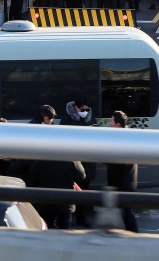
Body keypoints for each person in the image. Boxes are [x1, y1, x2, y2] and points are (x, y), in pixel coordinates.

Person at [59, 96, 95, 228]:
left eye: (86, 109)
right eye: (82, 109)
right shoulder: (67, 119)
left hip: (87, 160)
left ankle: (81, 218)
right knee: (72, 190)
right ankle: (72, 216)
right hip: (73, 162)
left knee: (84, 191)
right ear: (75, 107)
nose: (84, 111)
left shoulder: (90, 117)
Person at [30, 158, 86, 229]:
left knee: (47, 228)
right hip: (66, 201)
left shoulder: (41, 158)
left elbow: (33, 178)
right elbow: (81, 177)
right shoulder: (72, 158)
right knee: (65, 230)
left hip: (46, 201)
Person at [106, 110, 138, 232]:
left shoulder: (123, 139)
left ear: (118, 125)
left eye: (111, 121)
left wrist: (102, 157)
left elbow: (120, 161)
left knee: (125, 211)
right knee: (118, 210)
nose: (110, 124)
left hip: (123, 183)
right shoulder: (126, 136)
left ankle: (134, 235)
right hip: (123, 182)